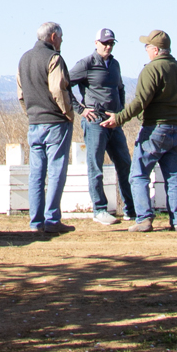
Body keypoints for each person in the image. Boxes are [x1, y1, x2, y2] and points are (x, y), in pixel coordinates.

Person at [100, 30, 177, 232]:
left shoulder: (151, 71)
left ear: (155, 50)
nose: (145, 50)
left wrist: (118, 118)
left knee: (138, 176)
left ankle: (144, 219)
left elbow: (140, 102)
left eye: (147, 47)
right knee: (174, 177)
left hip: (155, 130)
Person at [70, 28, 135, 225]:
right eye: (105, 43)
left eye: (111, 43)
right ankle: (99, 209)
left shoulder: (115, 64)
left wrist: (120, 113)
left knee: (124, 164)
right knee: (95, 166)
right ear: (96, 43)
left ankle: (131, 209)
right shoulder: (86, 64)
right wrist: (80, 109)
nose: (108, 46)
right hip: (95, 122)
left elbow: (120, 89)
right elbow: (63, 85)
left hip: (114, 122)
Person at [16, 21, 75, 233]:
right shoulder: (54, 58)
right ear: (53, 37)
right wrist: (68, 114)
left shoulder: (24, 59)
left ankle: (35, 222)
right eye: (60, 37)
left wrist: (30, 114)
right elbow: (58, 90)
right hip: (55, 122)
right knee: (56, 171)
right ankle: (52, 219)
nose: (61, 41)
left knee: (36, 173)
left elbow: (21, 94)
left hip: (34, 123)